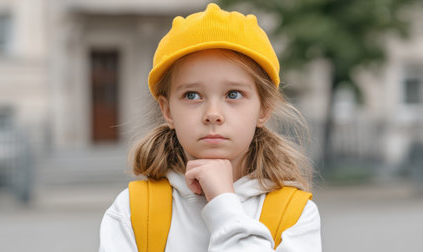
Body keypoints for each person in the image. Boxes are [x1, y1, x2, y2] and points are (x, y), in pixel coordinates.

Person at [99, 3, 321, 251]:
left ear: (264, 108)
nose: (213, 114)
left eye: (233, 94)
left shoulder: (295, 214)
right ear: (167, 110)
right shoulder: (133, 210)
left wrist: (223, 203)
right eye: (192, 95)